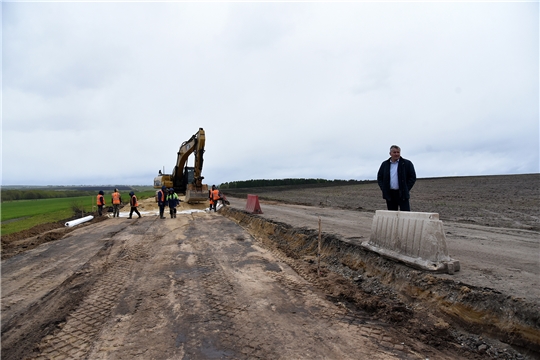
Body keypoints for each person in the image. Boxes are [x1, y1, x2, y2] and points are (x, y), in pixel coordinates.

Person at [377, 145, 416, 211]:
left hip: (402, 194)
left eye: (398, 152)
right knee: (392, 215)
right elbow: (380, 177)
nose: (396, 154)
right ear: (390, 153)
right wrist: (384, 188)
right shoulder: (385, 164)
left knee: (405, 214)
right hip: (390, 194)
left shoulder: (407, 163)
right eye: (394, 152)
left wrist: (406, 188)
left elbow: (412, 177)